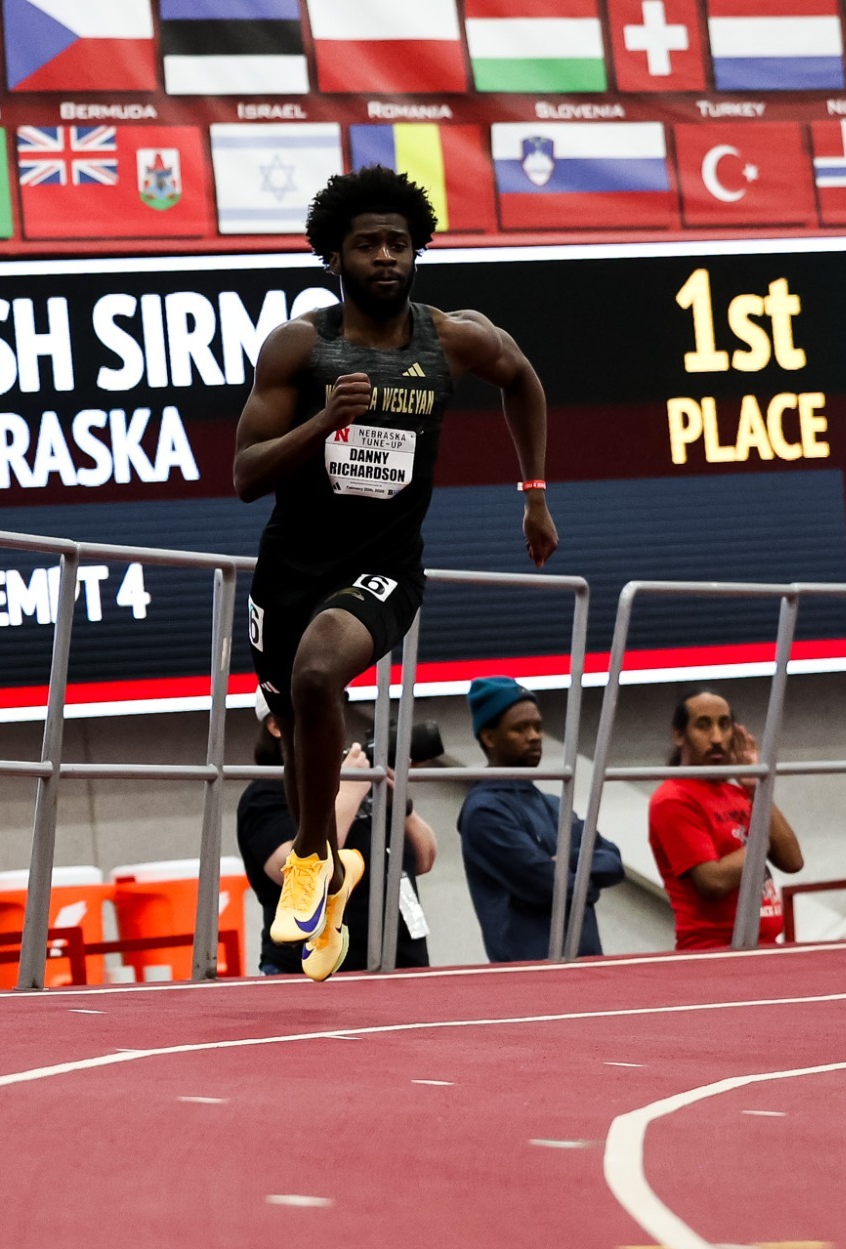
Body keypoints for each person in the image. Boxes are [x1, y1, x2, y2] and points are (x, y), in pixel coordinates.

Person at [233, 164, 557, 982]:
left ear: (417, 253)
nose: (386, 256)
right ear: (333, 258)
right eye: (368, 244)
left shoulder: (451, 339)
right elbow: (244, 473)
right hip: (289, 570)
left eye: (399, 243)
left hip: (384, 566)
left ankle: (314, 858)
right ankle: (325, 885)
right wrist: (324, 423)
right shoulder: (299, 347)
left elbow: (524, 378)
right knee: (298, 717)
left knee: (317, 674)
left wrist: (535, 493)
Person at [235, 700, 437, 978]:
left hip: (402, 961)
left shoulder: (355, 781)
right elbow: (291, 873)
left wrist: (401, 804)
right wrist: (348, 792)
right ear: (275, 725)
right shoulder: (266, 793)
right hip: (315, 971)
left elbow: (424, 859)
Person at [456, 676, 625, 962]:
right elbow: (551, 885)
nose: (535, 736)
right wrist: (582, 875)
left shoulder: (553, 803)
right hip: (529, 973)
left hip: (585, 963)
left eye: (537, 727)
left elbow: (613, 860)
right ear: (488, 737)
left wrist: (568, 862)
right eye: (520, 728)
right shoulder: (484, 812)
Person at [647, 689, 805, 951]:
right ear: (679, 735)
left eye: (724, 724)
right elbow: (713, 881)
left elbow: (793, 861)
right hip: (715, 951)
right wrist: (761, 842)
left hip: (764, 945)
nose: (718, 738)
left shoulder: (740, 792)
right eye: (703, 726)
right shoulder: (673, 798)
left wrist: (757, 789)